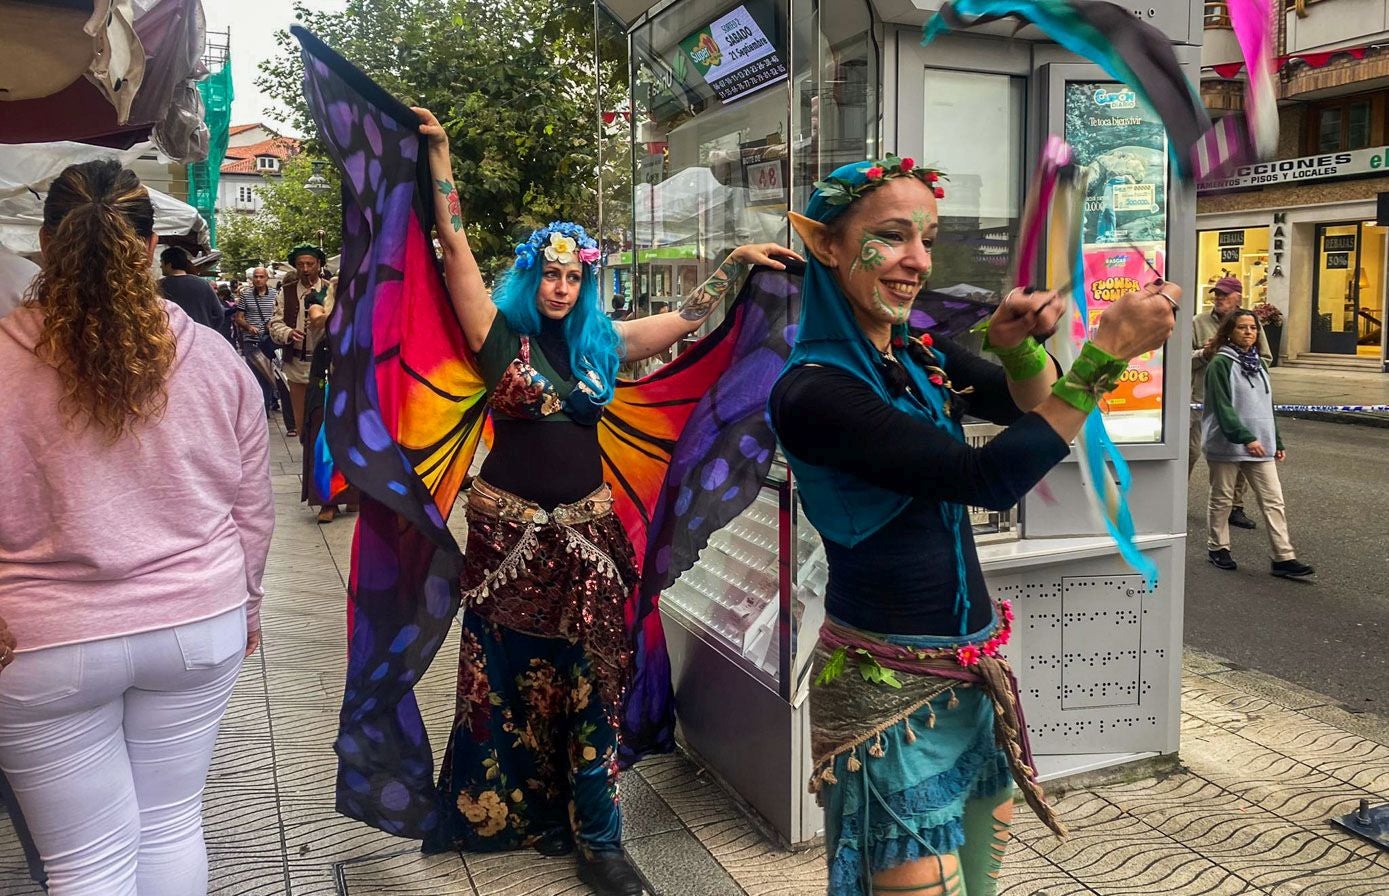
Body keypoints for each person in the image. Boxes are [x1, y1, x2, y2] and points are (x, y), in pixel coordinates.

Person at [413, 106, 801, 896]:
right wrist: (441, 155)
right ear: (531, 276)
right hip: (507, 543)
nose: (560, 287)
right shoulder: (495, 336)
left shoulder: (602, 344)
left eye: (573, 276)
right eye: (549, 274)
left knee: (594, 678)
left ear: (585, 281)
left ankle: (599, 835)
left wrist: (734, 260)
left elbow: (691, 316)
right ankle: (499, 808)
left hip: (590, 538)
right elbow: (452, 244)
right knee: (506, 672)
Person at [767, 155, 1179, 896]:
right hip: (887, 691)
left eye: (926, 238)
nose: (917, 262)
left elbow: (1027, 407)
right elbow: (985, 477)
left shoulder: (916, 352)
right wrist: (1107, 353)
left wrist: (1019, 346)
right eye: (891, 237)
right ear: (824, 243)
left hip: (969, 673)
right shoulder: (812, 391)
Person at [0, 160, 273, 894]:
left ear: (46, 244)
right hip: (196, 623)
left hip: (37, 642)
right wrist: (246, 603)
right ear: (151, 248)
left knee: (86, 864)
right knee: (171, 823)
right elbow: (251, 508)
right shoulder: (216, 361)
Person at [1202, 309, 1314, 579]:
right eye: (1242, 327)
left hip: (1260, 445)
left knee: (1273, 500)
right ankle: (1218, 547)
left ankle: (1283, 557)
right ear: (1229, 331)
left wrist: (1276, 439)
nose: (1249, 332)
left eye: (1253, 328)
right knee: (1222, 499)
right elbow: (1222, 407)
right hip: (1227, 444)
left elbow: (1267, 406)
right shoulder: (1220, 363)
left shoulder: (1260, 364)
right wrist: (1245, 437)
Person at [1191, 276, 1269, 531]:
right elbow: (1183, 359)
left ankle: (1236, 507)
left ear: (1238, 297)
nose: (1219, 299)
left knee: (1240, 454)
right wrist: (1205, 354)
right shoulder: (1199, 322)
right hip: (1200, 400)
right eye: (1217, 295)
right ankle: (1174, 500)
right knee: (1189, 453)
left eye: (1224, 295)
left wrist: (1244, 360)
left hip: (1240, 402)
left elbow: (1266, 358)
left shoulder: (1250, 324)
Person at [269, 245, 334, 437]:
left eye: (310, 264)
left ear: (319, 265)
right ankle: (307, 456)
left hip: (327, 363)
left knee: (325, 418)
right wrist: (288, 333)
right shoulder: (286, 292)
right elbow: (274, 323)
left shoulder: (332, 289)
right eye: (300, 265)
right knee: (302, 422)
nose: (305, 269)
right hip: (297, 364)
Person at [234, 267, 281, 416]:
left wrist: (272, 324)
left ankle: (267, 405)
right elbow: (238, 317)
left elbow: (280, 315)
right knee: (256, 375)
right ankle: (262, 409)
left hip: (270, 341)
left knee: (269, 375)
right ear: (252, 279)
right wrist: (248, 327)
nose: (258, 279)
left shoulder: (275, 295)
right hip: (252, 342)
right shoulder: (246, 295)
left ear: (267, 278)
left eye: (261, 276)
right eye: (256, 277)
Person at [158, 245, 225, 330]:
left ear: (169, 264)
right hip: (202, 336)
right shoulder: (203, 284)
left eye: (162, 262)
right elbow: (219, 314)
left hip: (172, 337)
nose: (160, 266)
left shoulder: (159, 286)